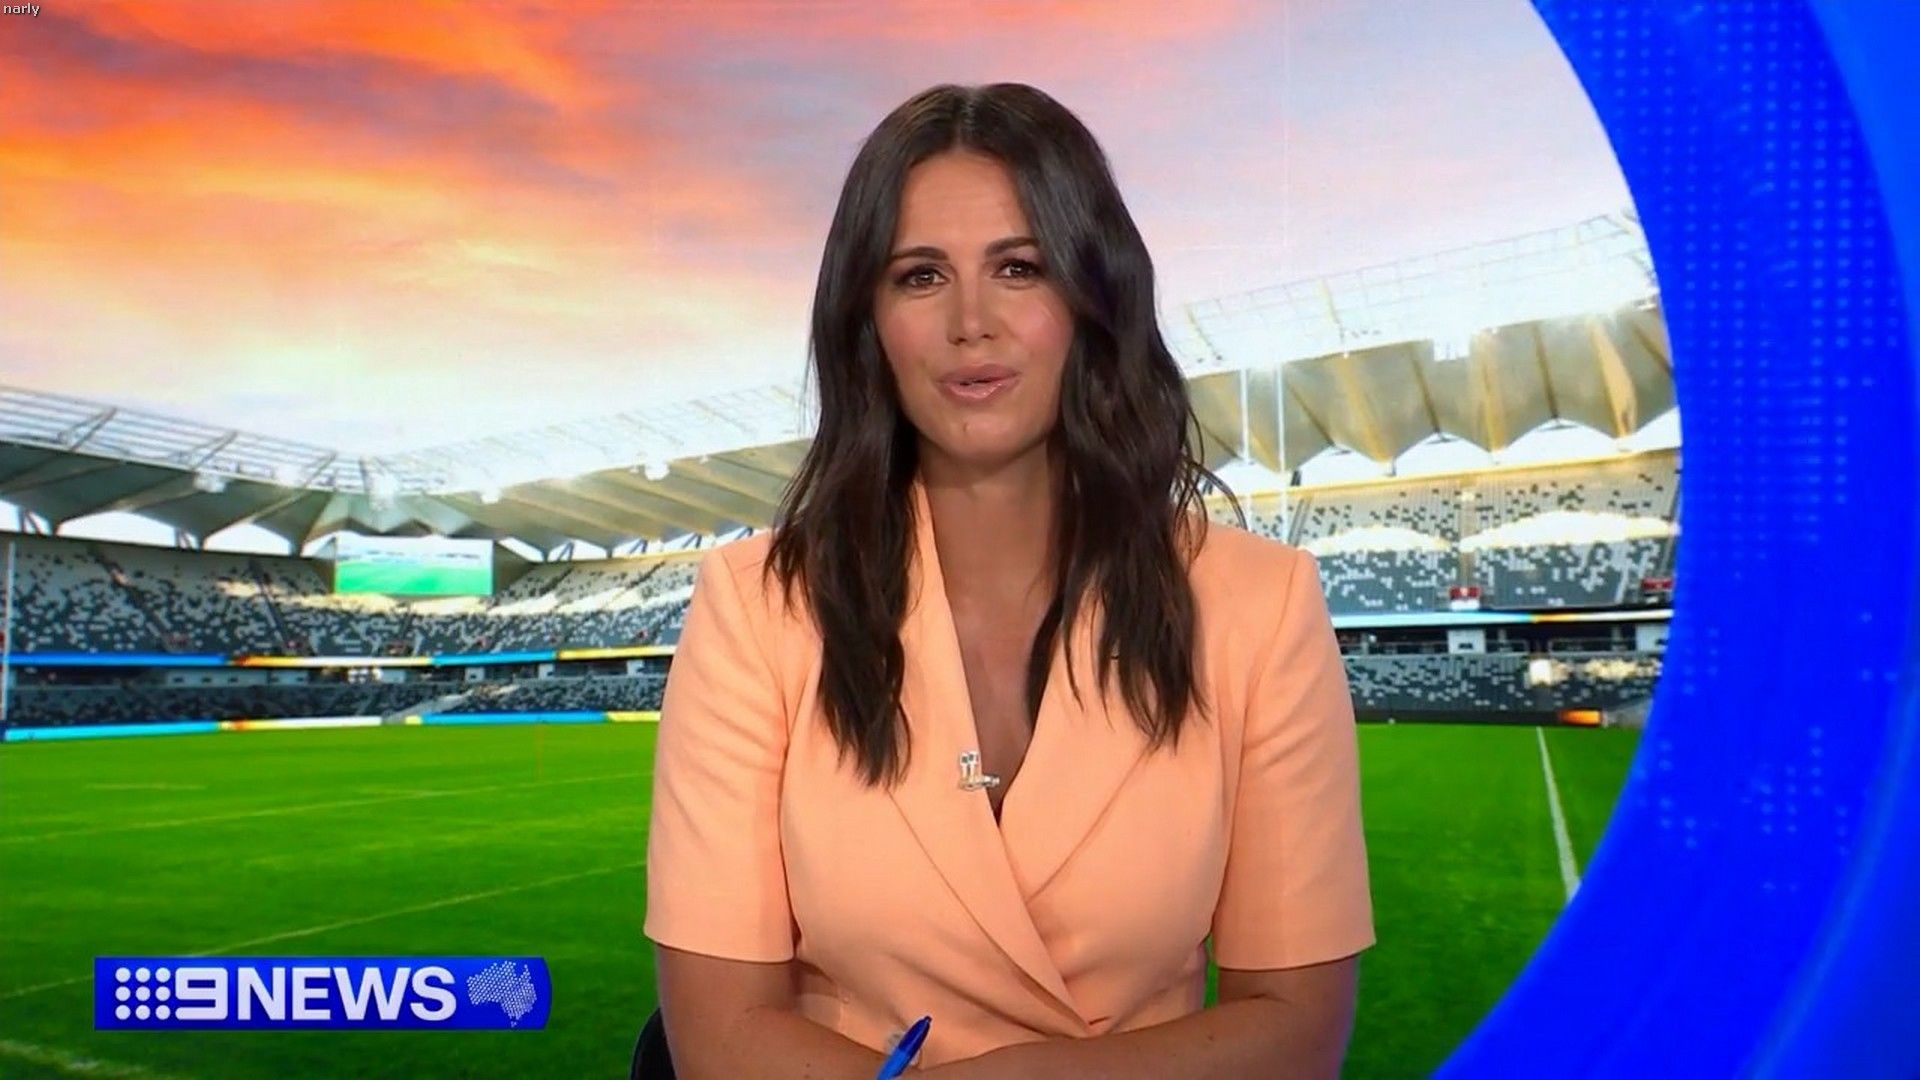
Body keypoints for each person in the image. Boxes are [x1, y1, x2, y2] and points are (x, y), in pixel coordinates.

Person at [645, 82, 1373, 1077]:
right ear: (868, 319)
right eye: (919, 276)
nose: (971, 322)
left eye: (1019, 268)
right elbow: (719, 1036)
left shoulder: (1260, 603)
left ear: (1090, 299)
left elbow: (1295, 1027)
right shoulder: (757, 606)